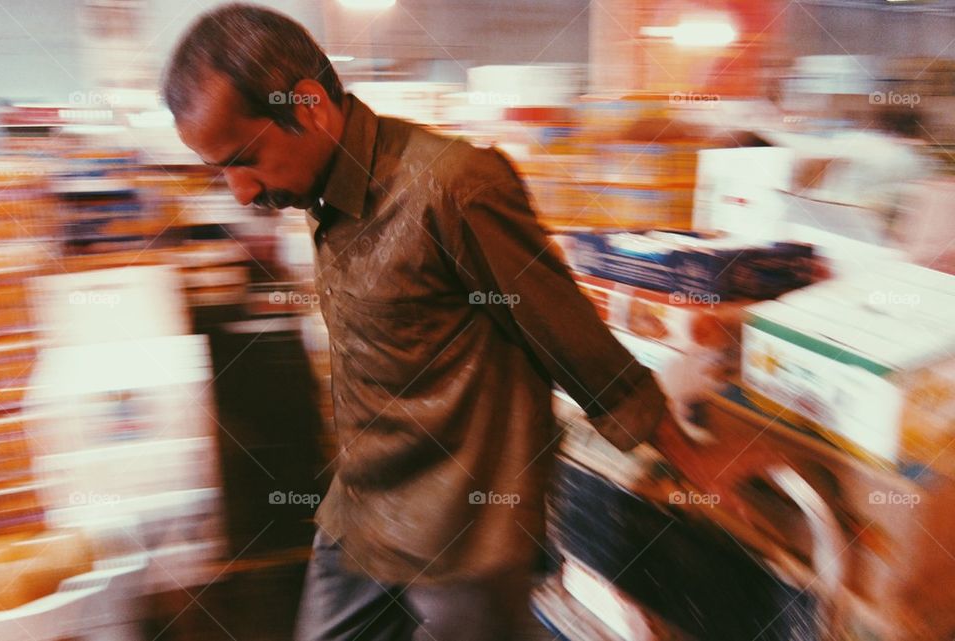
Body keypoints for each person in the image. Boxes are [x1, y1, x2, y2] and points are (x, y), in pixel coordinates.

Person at [163, 4, 679, 640]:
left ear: (307, 106)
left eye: (245, 158)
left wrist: (686, 457)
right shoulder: (321, 191)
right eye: (223, 170)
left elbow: (569, 338)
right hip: (361, 512)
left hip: (462, 540)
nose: (241, 192)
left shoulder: (454, 188)